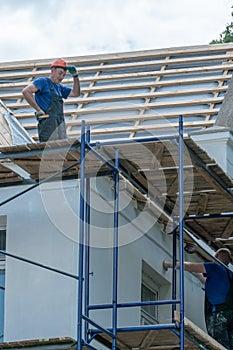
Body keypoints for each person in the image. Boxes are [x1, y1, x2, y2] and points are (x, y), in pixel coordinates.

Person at [163, 248, 233, 349]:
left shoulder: (215, 267)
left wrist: (169, 264)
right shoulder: (229, 274)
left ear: (216, 256)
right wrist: (197, 274)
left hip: (218, 314)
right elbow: (206, 282)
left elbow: (189, 266)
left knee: (220, 345)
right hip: (230, 316)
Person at [22, 58, 81, 142]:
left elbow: (76, 93)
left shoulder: (59, 88)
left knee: (61, 151)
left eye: (64, 75)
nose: (61, 77)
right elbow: (26, 91)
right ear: (52, 70)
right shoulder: (43, 82)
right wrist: (38, 110)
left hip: (60, 125)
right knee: (49, 151)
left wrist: (75, 76)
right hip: (48, 124)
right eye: (60, 73)